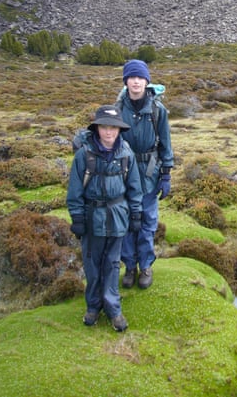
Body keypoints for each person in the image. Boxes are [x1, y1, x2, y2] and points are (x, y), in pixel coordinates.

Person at [66, 104, 143, 331]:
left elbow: (134, 188)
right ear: (97, 128)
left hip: (118, 217)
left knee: (111, 265)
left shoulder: (127, 154)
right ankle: (93, 306)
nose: (109, 132)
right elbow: (74, 191)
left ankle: (113, 310)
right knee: (92, 266)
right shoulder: (84, 155)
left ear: (119, 130)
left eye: (113, 128)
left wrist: (136, 214)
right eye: (104, 127)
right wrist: (78, 218)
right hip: (92, 220)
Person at [118, 59, 174, 290]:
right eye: (132, 78)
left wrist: (166, 174)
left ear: (146, 81)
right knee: (127, 221)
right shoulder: (118, 109)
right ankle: (130, 267)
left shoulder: (157, 110)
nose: (136, 82)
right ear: (126, 82)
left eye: (140, 78)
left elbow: (166, 144)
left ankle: (146, 265)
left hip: (150, 172)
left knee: (148, 222)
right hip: (123, 173)